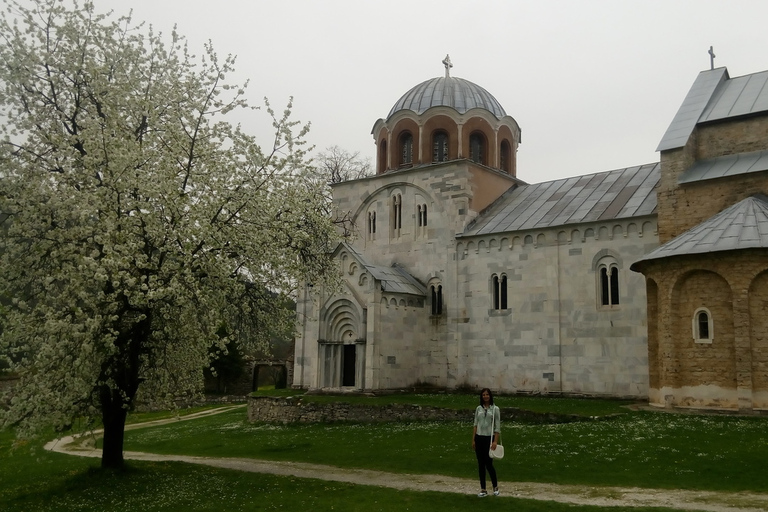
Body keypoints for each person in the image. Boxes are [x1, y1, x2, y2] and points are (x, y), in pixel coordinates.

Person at [472, 387, 500, 497]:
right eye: (483, 395)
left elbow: (497, 427)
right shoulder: (478, 408)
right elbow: (475, 424)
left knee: (489, 464)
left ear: (490, 396)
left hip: (489, 438)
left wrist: (495, 441)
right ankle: (483, 489)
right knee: (481, 465)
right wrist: (473, 439)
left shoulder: (495, 409)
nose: (485, 396)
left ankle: (495, 486)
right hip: (479, 438)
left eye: (487, 394)